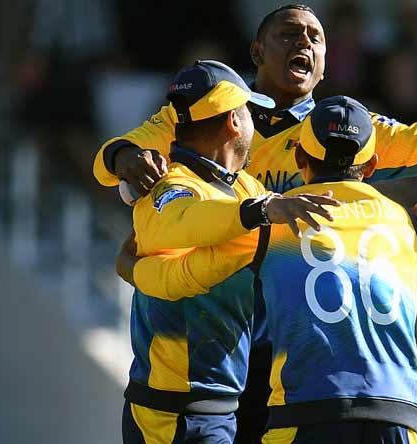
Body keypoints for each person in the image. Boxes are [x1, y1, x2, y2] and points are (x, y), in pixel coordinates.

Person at [117, 95, 417, 443]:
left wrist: (132, 268)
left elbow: (184, 277)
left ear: (299, 157)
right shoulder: (406, 226)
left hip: (306, 414)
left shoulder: (275, 224)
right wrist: (416, 232)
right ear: (373, 165)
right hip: (399, 418)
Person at [93, 4, 417, 199]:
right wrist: (127, 158)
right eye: (289, 34)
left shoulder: (342, 129)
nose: (304, 44)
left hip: (293, 324)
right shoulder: (206, 106)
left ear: (325, 64)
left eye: (316, 38)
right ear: (256, 52)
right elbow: (115, 154)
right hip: (216, 314)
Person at [121, 59, 342, 444]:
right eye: (249, 111)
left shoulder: (247, 189)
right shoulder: (167, 184)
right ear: (234, 122)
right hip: (166, 412)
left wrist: (404, 229)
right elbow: (183, 221)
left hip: (222, 407)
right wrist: (258, 214)